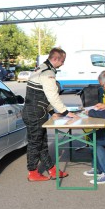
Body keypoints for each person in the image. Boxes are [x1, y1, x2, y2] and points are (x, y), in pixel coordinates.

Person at [22, 47, 77, 182]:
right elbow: (52, 95)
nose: (63, 63)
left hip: (34, 111)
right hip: (36, 113)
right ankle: (33, 172)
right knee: (35, 143)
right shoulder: (47, 73)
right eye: (62, 61)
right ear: (55, 59)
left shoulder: (41, 68)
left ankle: (52, 170)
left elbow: (44, 95)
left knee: (41, 143)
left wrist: (52, 112)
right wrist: (65, 112)